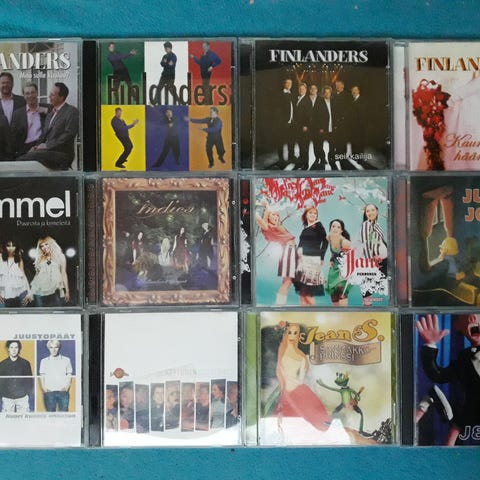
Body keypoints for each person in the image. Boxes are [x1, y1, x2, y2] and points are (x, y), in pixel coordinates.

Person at [416, 313, 480, 445]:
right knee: (452, 437)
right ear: (457, 325)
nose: (473, 317)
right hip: (468, 414)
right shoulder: (464, 359)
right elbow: (439, 375)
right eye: (465, 315)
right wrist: (430, 344)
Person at [274, 323, 330, 430]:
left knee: (312, 421)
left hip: (298, 391)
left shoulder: (301, 357)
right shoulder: (281, 350)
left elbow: (300, 380)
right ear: (286, 334)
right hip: (286, 392)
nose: (292, 335)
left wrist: (289, 380)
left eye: (295, 333)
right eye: (290, 332)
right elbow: (279, 371)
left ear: (298, 335)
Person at [16, 82, 79, 170]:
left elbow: (69, 134)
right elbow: (43, 135)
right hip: (48, 153)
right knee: (25, 157)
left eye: (52, 95)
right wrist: (36, 147)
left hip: (62, 155)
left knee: (21, 160)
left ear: (61, 97)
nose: (49, 97)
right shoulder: (50, 114)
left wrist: (47, 145)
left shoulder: (71, 111)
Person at [256, 202, 296, 305]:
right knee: (287, 281)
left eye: (277, 215)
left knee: (287, 281)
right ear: (268, 217)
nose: (276, 217)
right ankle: (280, 304)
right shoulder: (267, 226)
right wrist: (265, 209)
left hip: (290, 252)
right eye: (273, 215)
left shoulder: (276, 226)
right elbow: (259, 219)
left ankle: (280, 303)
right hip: (288, 251)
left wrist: (267, 206)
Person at [294, 206, 328, 305]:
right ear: (306, 215)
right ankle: (303, 312)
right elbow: (301, 244)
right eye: (310, 213)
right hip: (302, 261)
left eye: (315, 213)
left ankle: (314, 311)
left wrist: (322, 257)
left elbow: (326, 241)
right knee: (302, 292)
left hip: (312, 260)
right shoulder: (305, 228)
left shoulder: (318, 225)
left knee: (308, 292)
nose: (313, 215)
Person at [11, 82, 50, 157]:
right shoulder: (18, 114)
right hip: (25, 150)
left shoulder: (47, 108)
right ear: (24, 96)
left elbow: (58, 117)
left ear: (37, 93)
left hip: (43, 148)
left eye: (33, 92)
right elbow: (14, 137)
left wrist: (46, 111)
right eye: (27, 93)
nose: (30, 95)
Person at [30, 236, 70, 307]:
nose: (44, 247)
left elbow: (63, 274)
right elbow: (37, 276)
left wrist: (67, 291)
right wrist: (30, 292)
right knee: (41, 310)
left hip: (55, 289)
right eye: (42, 246)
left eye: (46, 244)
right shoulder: (39, 258)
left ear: (51, 244)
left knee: (57, 309)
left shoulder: (60, 256)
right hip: (40, 290)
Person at [38, 340, 73, 412]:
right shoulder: (44, 361)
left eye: (56, 347)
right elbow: (42, 375)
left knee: (64, 414)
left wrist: (66, 388)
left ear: (59, 348)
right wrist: (44, 388)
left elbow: (69, 374)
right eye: (51, 347)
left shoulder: (66, 360)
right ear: (48, 348)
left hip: (63, 392)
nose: (53, 350)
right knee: (50, 414)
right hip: (49, 392)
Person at [0, 340, 32, 412]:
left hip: (22, 397)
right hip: (7, 397)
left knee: (25, 417)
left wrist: (27, 394)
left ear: (19, 349)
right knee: (7, 418)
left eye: (16, 347)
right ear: (8, 349)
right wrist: (2, 395)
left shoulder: (25, 363)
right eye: (11, 347)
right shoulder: (2, 364)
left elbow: (29, 380)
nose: (14, 350)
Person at [325, 219, 352, 306]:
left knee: (341, 292)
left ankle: (345, 313)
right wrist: (331, 260)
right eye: (333, 226)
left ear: (341, 230)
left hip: (343, 270)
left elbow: (353, 256)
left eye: (338, 227)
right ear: (330, 228)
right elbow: (333, 253)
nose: (335, 229)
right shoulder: (329, 237)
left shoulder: (345, 242)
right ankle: (336, 313)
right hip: (333, 270)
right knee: (334, 295)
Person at [0, 239, 32, 307]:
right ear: (4, 246)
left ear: (16, 247)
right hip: (3, 290)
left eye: (13, 246)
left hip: (20, 289)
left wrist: (29, 292)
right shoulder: (0, 257)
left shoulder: (18, 259)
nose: (11, 248)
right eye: (8, 245)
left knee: (24, 309)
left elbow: (23, 275)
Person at [275, 78, 295, 169]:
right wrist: (282, 122)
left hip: (292, 123)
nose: (289, 84)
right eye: (288, 83)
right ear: (284, 84)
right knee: (281, 142)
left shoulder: (292, 94)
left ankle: (291, 157)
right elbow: (277, 110)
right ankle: (281, 160)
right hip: (282, 123)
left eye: (291, 83)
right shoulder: (279, 95)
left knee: (291, 141)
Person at [318, 85, 336, 169]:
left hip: (332, 126)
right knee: (320, 144)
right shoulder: (320, 102)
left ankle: (331, 158)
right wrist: (320, 127)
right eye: (325, 92)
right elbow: (317, 116)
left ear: (330, 93)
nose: (327, 94)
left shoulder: (334, 102)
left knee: (332, 144)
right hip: (323, 127)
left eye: (328, 92)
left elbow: (336, 114)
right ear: (323, 93)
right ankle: (323, 158)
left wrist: (336, 125)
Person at [293, 82, 310, 169]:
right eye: (300, 89)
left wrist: (306, 125)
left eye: (303, 89)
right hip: (298, 126)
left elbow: (308, 115)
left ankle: (305, 164)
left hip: (304, 127)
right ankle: (300, 162)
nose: (301, 90)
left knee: (304, 146)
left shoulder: (307, 100)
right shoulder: (298, 98)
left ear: (306, 90)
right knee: (300, 145)